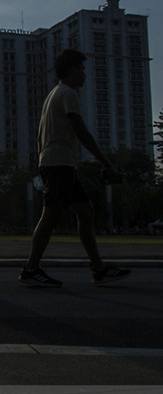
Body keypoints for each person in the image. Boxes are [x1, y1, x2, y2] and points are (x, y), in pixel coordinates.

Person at [20, 49, 130, 287]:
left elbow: (40, 135)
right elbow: (81, 131)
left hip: (58, 162)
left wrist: (43, 162)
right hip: (59, 163)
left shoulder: (53, 95)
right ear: (71, 71)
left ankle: (98, 268)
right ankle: (31, 268)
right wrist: (107, 163)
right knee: (50, 215)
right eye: (81, 70)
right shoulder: (68, 93)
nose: (84, 75)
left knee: (85, 212)